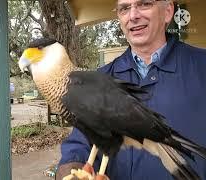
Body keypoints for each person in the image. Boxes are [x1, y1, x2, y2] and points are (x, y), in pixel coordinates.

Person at [56, 0, 206, 180]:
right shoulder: (98, 80)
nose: (133, 16)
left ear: (167, 11)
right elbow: (79, 147)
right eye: (124, 8)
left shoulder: (201, 67)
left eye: (144, 4)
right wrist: (71, 172)